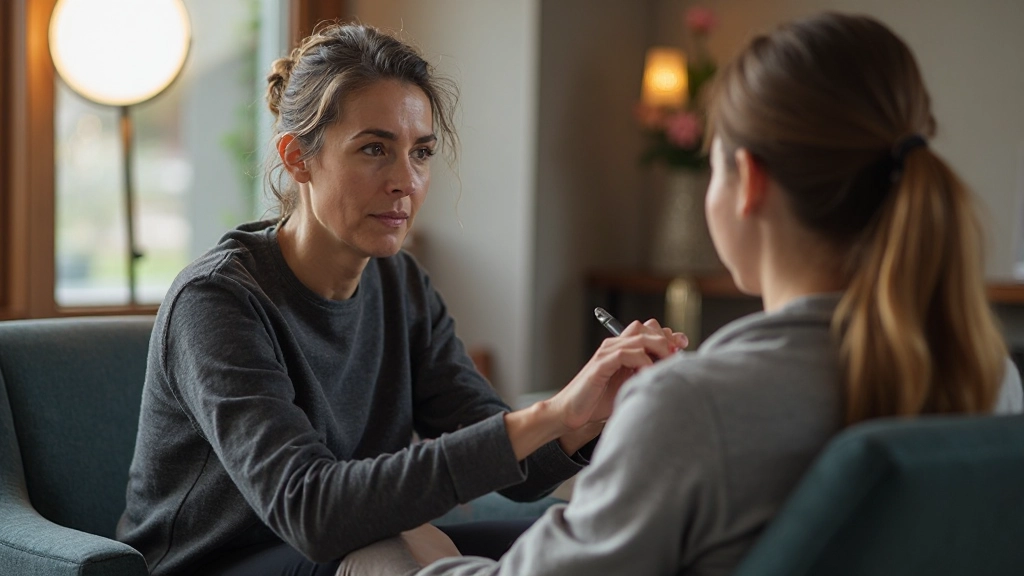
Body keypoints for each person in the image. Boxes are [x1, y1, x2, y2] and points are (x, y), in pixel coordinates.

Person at [338, 11, 1024, 576]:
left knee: (372, 551)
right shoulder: (992, 380)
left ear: (748, 181)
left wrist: (409, 562)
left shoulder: (695, 409)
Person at [115, 22, 686, 576]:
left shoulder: (401, 284)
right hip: (220, 560)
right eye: (373, 150)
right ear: (297, 158)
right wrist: (549, 414)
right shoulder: (216, 302)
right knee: (388, 559)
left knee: (590, 537)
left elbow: (512, 466)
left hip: (352, 538)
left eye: (421, 152)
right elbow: (311, 512)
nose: (406, 182)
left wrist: (586, 414)